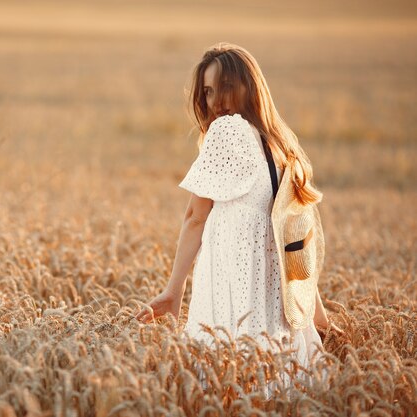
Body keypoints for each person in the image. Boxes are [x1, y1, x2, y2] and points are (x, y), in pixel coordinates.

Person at [134, 42, 343, 396]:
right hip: (276, 292)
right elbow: (295, 242)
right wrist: (315, 314)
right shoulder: (282, 145)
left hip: (235, 284)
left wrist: (174, 290)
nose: (217, 101)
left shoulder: (226, 131)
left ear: (250, 86)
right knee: (280, 385)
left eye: (226, 87)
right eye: (208, 91)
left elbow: (195, 218)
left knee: (225, 382)